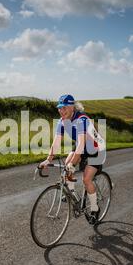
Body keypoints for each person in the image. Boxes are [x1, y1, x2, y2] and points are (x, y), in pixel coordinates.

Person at [39, 94, 105, 225]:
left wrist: (73, 164)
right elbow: (56, 143)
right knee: (67, 165)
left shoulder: (82, 119)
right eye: (59, 108)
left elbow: (81, 144)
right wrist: (48, 159)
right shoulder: (62, 121)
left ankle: (94, 208)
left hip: (96, 149)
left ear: (72, 107)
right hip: (82, 147)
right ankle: (72, 193)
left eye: (64, 108)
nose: (61, 111)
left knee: (86, 179)